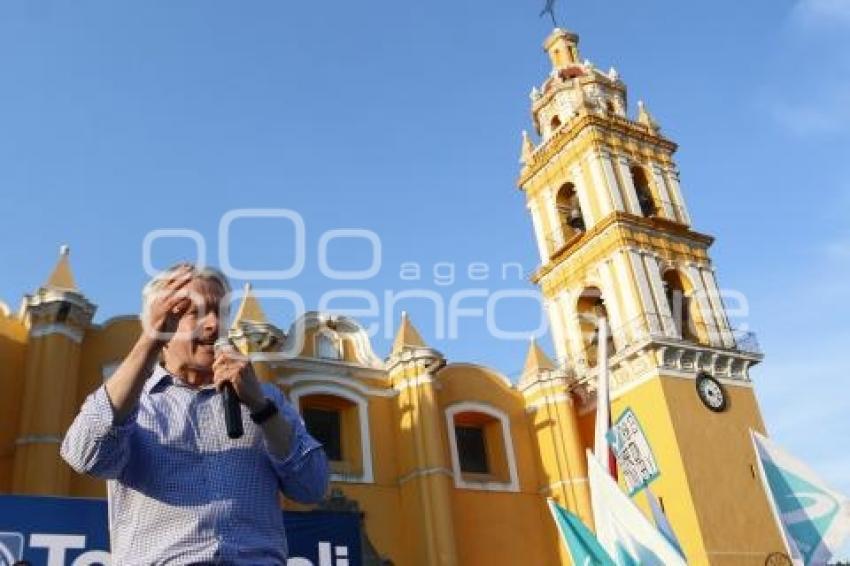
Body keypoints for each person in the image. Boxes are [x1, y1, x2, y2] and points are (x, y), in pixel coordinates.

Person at [61, 263, 329, 565]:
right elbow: (84, 455)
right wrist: (148, 342)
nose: (214, 324)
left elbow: (312, 487)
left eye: (220, 312)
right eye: (196, 313)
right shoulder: (133, 403)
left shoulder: (265, 399)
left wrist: (261, 408)